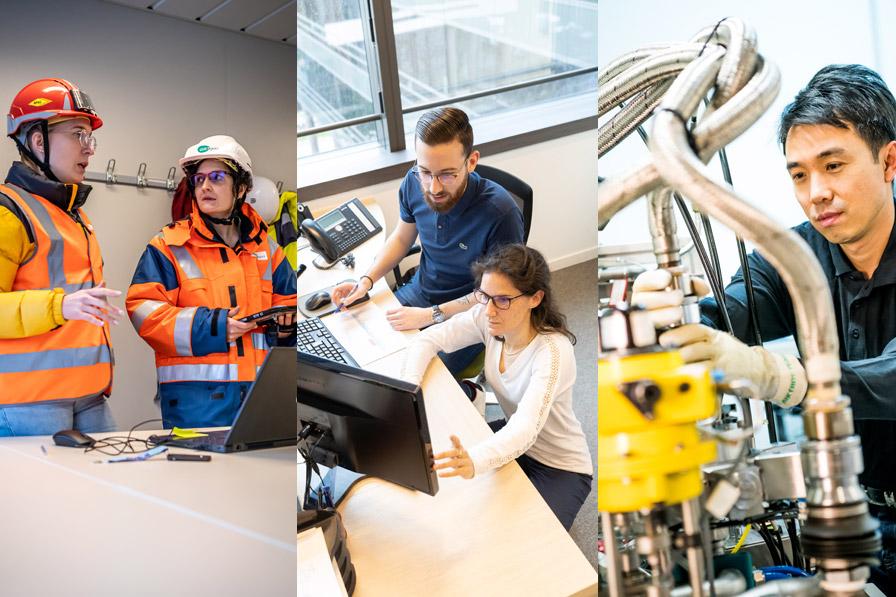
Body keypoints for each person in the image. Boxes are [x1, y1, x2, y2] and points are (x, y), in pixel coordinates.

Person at [631, 64, 896, 591]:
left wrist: (784, 378)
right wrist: (665, 312)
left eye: (834, 165)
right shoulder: (790, 257)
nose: (816, 191)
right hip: (851, 516)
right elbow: (725, 316)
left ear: (889, 161)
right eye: (799, 175)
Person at [401, 244, 592, 530]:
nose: (489, 309)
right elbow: (427, 340)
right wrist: (409, 393)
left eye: (503, 299)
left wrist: (475, 460)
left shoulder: (553, 352)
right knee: (449, 493)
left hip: (559, 466)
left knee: (528, 547)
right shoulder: (488, 318)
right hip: (512, 436)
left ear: (535, 298)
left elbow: (525, 430)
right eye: (485, 296)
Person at [331, 107, 524, 376]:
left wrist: (431, 315)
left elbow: (495, 295)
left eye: (447, 174)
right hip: (419, 293)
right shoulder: (413, 183)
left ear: (471, 161)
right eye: (425, 172)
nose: (433, 188)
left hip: (470, 315)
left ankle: (468, 396)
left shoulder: (501, 213)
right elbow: (401, 238)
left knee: (411, 384)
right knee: (362, 353)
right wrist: (366, 280)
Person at [126, 135, 296, 429]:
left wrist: (285, 330)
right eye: (199, 179)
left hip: (262, 400)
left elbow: (290, 306)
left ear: (241, 187)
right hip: (196, 406)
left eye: (217, 177)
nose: (205, 186)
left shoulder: (267, 249)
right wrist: (215, 326)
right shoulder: (168, 245)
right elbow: (144, 312)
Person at [0, 78, 125, 436]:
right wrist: (59, 307)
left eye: (90, 138)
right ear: (38, 141)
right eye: (77, 135)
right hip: (27, 404)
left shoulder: (73, 215)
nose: (89, 150)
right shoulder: (8, 211)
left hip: (90, 397)